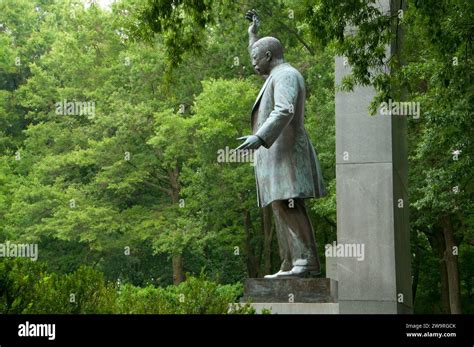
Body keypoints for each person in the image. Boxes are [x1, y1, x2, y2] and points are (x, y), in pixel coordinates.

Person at [236, 10, 326, 278]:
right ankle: (291, 262)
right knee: (281, 204)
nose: (253, 64)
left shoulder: (286, 75)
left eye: (255, 58)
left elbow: (284, 110)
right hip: (279, 155)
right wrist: (253, 34)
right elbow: (259, 51)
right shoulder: (275, 75)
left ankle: (307, 261)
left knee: (289, 204)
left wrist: (259, 137)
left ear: (268, 57)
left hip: (287, 153)